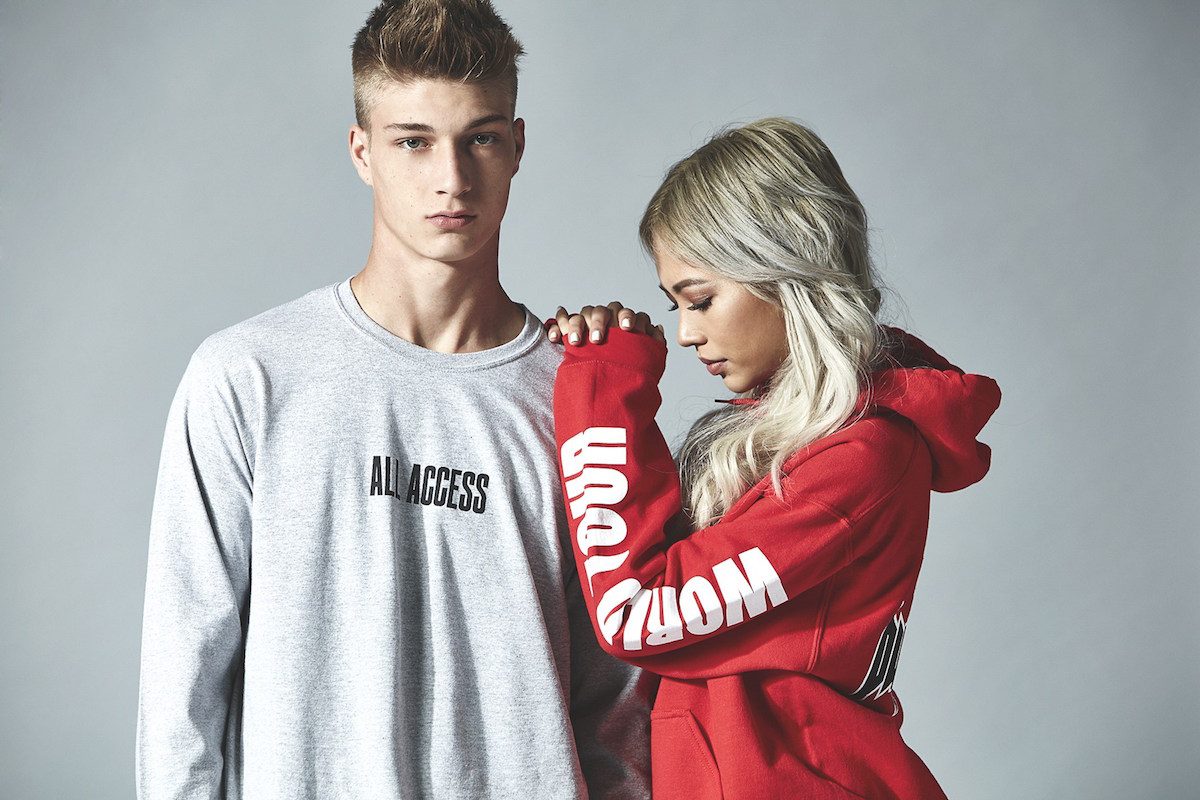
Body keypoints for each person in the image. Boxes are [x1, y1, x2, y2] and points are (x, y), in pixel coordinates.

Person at [135, 1, 651, 797]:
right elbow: (182, 688)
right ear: (362, 152)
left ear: (517, 147)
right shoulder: (248, 378)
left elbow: (618, 704)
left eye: (480, 138)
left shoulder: (577, 394)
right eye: (413, 141)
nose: (452, 178)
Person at [547, 117, 1001, 799]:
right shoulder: (786, 444)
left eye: (701, 300)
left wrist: (603, 386)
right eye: (675, 306)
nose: (685, 334)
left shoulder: (861, 461)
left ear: (785, 271)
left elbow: (636, 611)